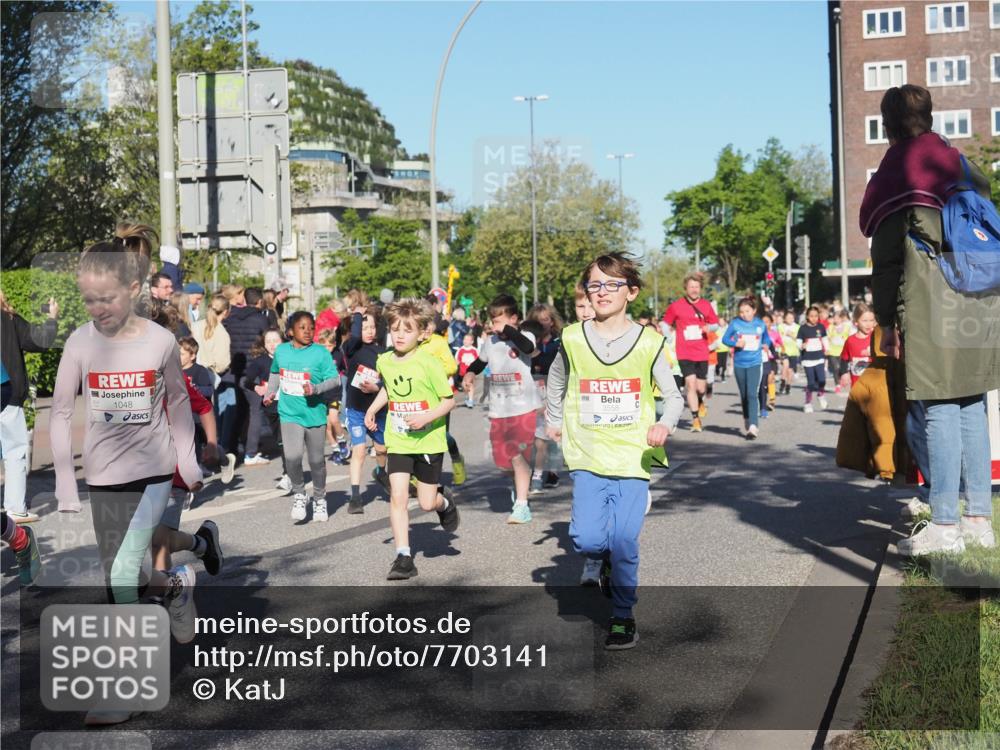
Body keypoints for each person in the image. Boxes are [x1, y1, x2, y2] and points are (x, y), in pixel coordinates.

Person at [49, 225, 202, 726]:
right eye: (89, 300)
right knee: (133, 574)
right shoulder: (79, 343)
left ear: (133, 290)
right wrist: (65, 485)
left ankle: (128, 688)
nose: (97, 309)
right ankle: (176, 586)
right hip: (104, 475)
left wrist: (188, 461)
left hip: (155, 472)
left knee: (118, 577)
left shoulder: (159, 341)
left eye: (106, 298)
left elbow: (178, 402)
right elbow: (59, 413)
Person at [862, 84, 998, 555]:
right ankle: (979, 519)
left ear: (887, 123)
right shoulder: (957, 161)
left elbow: (887, 259)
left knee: (939, 406)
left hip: (931, 297)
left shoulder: (896, 169)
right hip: (979, 297)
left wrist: (885, 321)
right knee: (972, 406)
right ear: (931, 114)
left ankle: (944, 524)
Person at [546, 253, 683, 649]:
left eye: (611, 284)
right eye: (595, 284)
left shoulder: (650, 342)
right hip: (587, 452)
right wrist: (553, 418)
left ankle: (623, 616)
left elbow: (672, 397)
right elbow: (556, 380)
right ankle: (603, 559)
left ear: (632, 292)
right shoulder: (572, 338)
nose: (602, 292)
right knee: (587, 540)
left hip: (633, 454)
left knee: (625, 542)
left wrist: (663, 424)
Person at [365, 299, 459, 579]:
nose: (400, 335)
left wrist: (426, 417)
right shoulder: (385, 360)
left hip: (428, 440)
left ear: (422, 333)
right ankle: (403, 557)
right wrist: (373, 408)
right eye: (395, 329)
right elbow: (390, 390)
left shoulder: (429, 363)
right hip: (400, 439)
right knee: (398, 497)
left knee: (427, 503)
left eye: (407, 330)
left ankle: (444, 503)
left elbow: (448, 401)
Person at [462, 294, 541, 524]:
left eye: (499, 321)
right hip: (498, 410)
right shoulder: (491, 342)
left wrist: (510, 331)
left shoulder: (524, 337)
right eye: (492, 321)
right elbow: (480, 362)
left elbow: (528, 347)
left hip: (523, 408)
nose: (494, 326)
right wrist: (469, 372)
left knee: (517, 456)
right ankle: (520, 483)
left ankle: (522, 505)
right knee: (503, 462)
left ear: (514, 318)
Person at [263, 311, 339, 522]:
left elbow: (335, 380)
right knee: (292, 457)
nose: (308, 331)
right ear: (290, 331)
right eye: (302, 327)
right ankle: (299, 494)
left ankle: (320, 499)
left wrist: (315, 389)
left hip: (314, 414)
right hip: (289, 413)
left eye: (311, 327)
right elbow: (275, 373)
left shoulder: (320, 353)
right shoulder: (281, 351)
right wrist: (270, 392)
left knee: (316, 461)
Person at [1, 291, 59, 523]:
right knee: (14, 451)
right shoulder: (8, 318)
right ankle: (15, 507)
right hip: (7, 393)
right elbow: (38, 340)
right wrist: (52, 318)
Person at [342, 304, 388, 514]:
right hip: (356, 410)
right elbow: (353, 337)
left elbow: (388, 383)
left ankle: (381, 472)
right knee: (358, 451)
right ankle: (355, 497)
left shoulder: (383, 353)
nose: (368, 331)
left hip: (378, 411)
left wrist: (375, 387)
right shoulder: (351, 349)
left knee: (382, 449)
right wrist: (358, 315)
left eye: (372, 327)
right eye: (364, 327)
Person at [662, 273, 718, 432]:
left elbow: (715, 325)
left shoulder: (707, 305)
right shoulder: (676, 306)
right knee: (690, 384)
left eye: (696, 286)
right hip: (684, 351)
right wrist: (669, 337)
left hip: (702, 351)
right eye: (691, 286)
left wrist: (709, 328)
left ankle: (701, 401)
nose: (694, 289)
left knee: (701, 388)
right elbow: (665, 324)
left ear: (700, 288)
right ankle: (695, 419)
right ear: (685, 288)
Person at [222, 285, 269, 455]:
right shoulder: (260, 319)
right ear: (260, 301)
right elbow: (269, 339)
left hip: (237, 369)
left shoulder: (230, 318)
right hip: (255, 369)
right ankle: (251, 452)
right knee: (255, 410)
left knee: (241, 410)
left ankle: (232, 447)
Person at [526, 303, 564, 492]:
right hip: (533, 391)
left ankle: (553, 471)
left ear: (552, 321)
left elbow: (555, 365)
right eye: (537, 321)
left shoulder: (559, 341)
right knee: (537, 437)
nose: (542, 324)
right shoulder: (528, 342)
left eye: (546, 320)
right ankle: (537, 470)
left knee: (553, 436)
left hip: (554, 390)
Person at [722, 297, 771, 439]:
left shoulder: (760, 324)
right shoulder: (735, 323)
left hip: (755, 362)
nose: (744, 314)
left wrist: (766, 344)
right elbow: (725, 339)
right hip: (739, 364)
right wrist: (736, 343)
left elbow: (766, 338)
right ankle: (747, 418)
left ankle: (754, 426)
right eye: (742, 311)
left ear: (754, 311)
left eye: (747, 311)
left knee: (752, 394)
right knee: (744, 395)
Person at [796, 306, 829, 413]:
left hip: (819, 357)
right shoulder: (803, 328)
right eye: (811, 316)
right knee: (811, 383)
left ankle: (821, 395)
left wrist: (827, 349)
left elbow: (825, 339)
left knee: (822, 380)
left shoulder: (821, 327)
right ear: (807, 317)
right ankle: (808, 403)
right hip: (807, 359)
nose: (814, 318)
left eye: (816, 316)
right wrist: (802, 346)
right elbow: (798, 342)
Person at [841, 303, 876, 387]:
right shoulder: (850, 341)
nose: (868, 324)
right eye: (865, 321)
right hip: (857, 386)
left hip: (875, 384)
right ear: (856, 322)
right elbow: (844, 359)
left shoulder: (876, 337)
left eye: (871, 320)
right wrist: (844, 373)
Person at [178, 337, 215, 402]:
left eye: (181, 354)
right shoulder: (174, 370)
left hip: (196, 409)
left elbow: (209, 391)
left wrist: (194, 388)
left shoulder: (200, 370)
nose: (177, 356)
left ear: (192, 356)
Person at [826, 309, 851, 394]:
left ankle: (841, 380)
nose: (836, 320)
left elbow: (849, 338)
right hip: (832, 351)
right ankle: (837, 385)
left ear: (841, 319)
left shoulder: (846, 327)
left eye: (838, 318)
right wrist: (827, 348)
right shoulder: (830, 327)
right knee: (835, 368)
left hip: (842, 351)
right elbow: (827, 339)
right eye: (834, 318)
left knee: (841, 368)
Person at [455, 332, 480, 408]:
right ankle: (468, 397)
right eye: (464, 339)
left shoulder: (474, 350)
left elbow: (478, 360)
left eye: (468, 340)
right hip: (462, 371)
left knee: (470, 384)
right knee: (464, 385)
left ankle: (471, 400)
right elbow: (457, 360)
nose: (465, 341)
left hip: (471, 371)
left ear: (472, 342)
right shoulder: (461, 350)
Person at [778, 310, 800, 395]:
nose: (790, 319)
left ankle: (788, 385)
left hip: (794, 351)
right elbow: (779, 338)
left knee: (790, 371)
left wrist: (791, 335)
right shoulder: (781, 327)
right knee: (785, 366)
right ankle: (783, 382)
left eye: (791, 318)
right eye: (788, 318)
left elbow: (799, 339)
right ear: (785, 319)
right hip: (784, 350)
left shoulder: (797, 327)